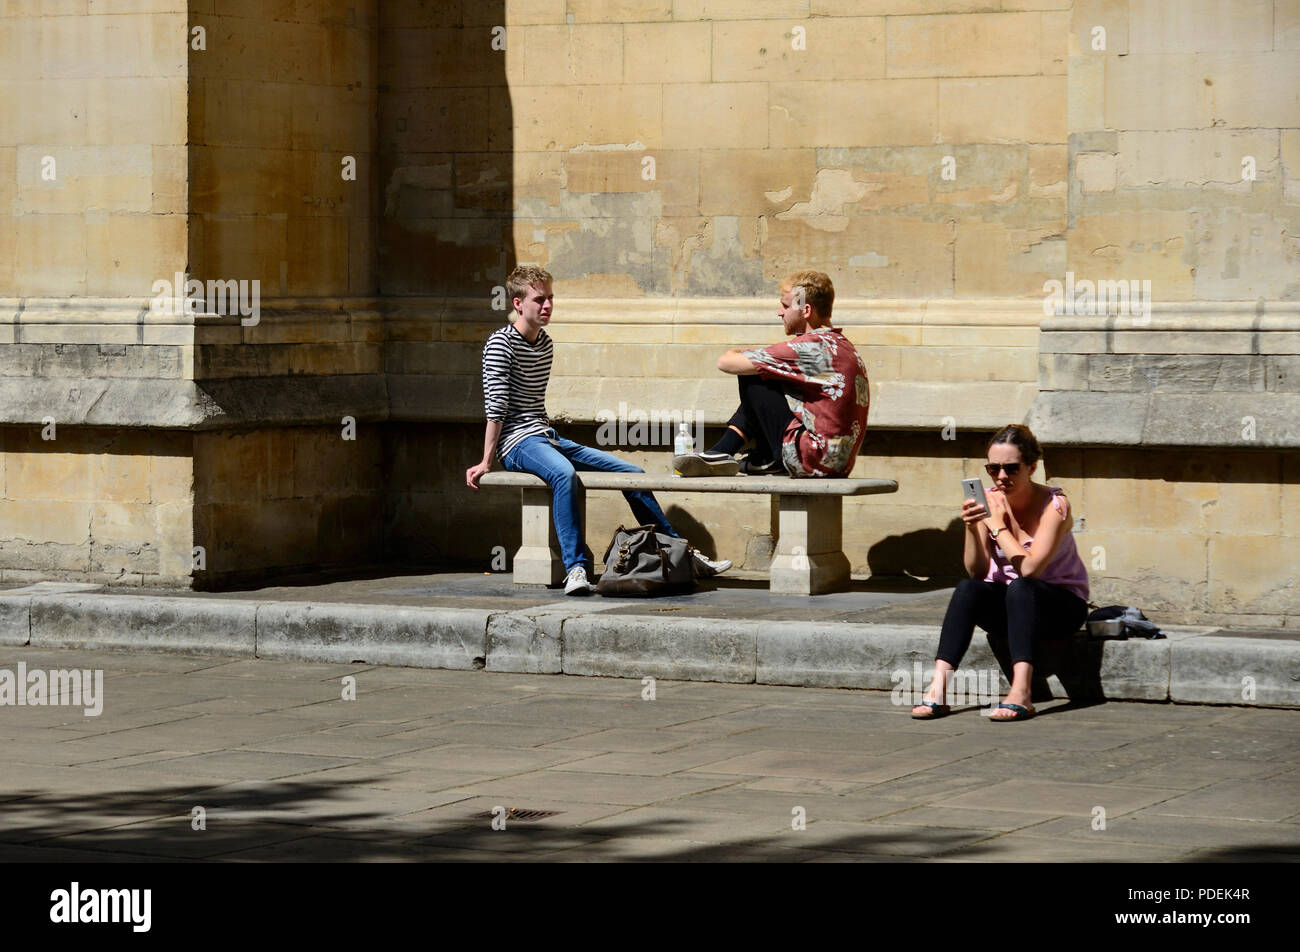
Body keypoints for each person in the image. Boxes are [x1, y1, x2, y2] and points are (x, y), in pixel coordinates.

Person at [466, 265, 730, 595]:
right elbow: (496, 407)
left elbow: (535, 404)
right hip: (517, 443)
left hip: (545, 437)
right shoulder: (500, 345)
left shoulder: (545, 344)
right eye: (539, 299)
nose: (547, 306)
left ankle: (681, 553)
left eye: (550, 298)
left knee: (632, 472)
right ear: (518, 303)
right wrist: (486, 460)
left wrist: (547, 438)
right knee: (564, 475)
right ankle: (576, 568)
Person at [911, 424, 1090, 722]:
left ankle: (1022, 692)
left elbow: (1031, 569)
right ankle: (938, 689)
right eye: (993, 469)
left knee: (1022, 586)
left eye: (1011, 468)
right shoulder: (989, 502)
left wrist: (996, 525)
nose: (1001, 477)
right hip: (1012, 608)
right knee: (967, 589)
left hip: (1059, 608)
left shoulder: (1055, 505)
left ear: (1032, 467)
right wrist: (972, 526)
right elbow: (977, 571)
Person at [672, 270, 869, 478]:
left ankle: (737, 453)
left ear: (806, 310)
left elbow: (726, 363)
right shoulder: (842, 346)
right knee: (771, 371)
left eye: (785, 306)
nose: (779, 312)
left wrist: (745, 352)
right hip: (837, 464)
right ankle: (735, 454)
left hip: (809, 459)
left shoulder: (810, 347)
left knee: (754, 373)